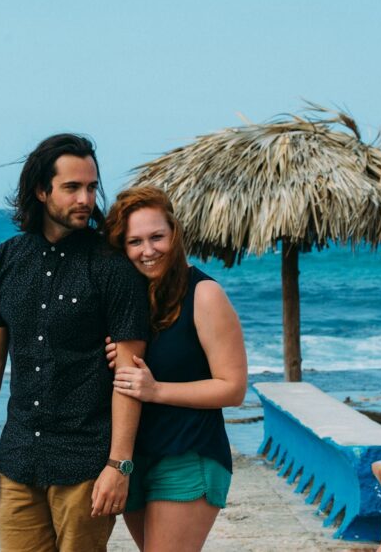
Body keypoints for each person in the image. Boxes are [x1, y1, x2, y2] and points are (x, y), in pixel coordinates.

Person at [0, 133, 150, 552]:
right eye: (72, 188)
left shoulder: (113, 269)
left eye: (91, 187)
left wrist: (119, 464)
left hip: (87, 461)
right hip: (20, 458)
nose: (85, 198)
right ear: (41, 191)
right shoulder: (5, 260)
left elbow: (129, 373)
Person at [102, 186, 248, 552]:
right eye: (135, 241)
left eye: (157, 237)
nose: (147, 251)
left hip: (188, 453)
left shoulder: (204, 294)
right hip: (135, 460)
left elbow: (233, 388)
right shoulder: (129, 299)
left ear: (175, 234)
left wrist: (156, 390)